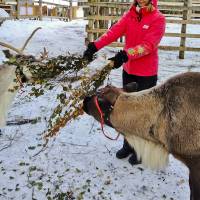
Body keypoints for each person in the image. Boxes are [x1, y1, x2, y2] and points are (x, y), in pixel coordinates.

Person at [83, 0, 166, 165]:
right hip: (128, 71)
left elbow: (148, 45)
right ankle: (128, 145)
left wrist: (126, 54)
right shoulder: (130, 15)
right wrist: (94, 46)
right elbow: (114, 31)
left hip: (146, 73)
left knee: (142, 114)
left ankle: (141, 149)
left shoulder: (158, 18)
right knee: (127, 110)